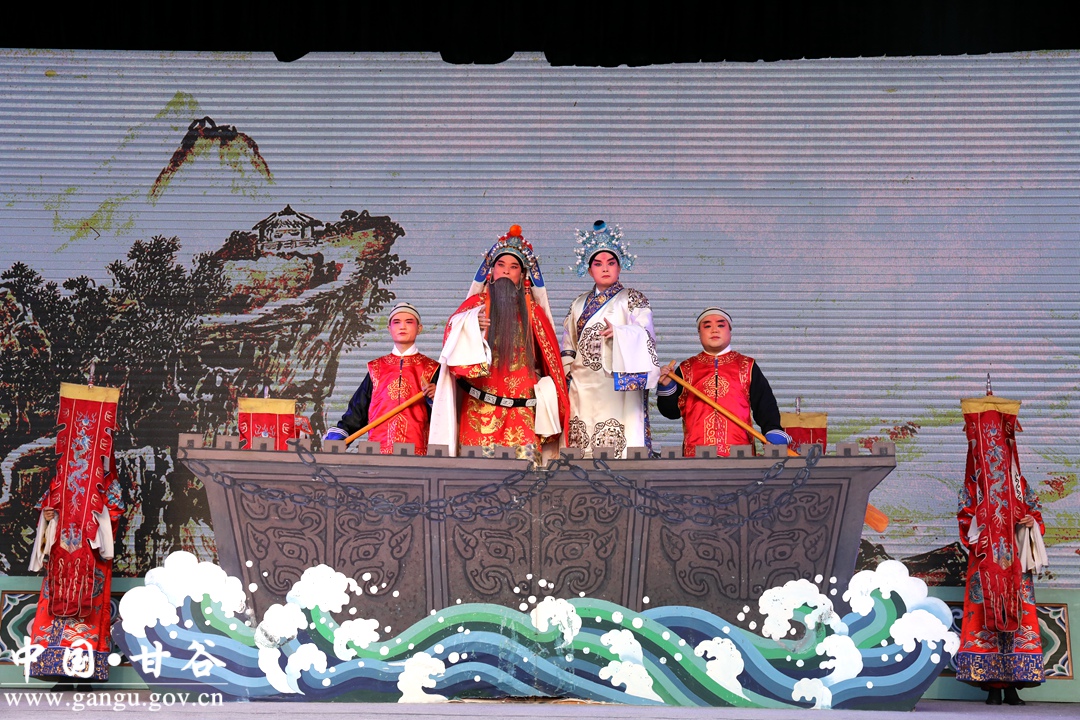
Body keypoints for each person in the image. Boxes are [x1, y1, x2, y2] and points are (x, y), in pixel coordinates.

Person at [429, 225, 569, 463]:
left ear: (522, 275)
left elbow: (549, 358)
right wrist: (470, 325)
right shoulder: (474, 306)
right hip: (479, 402)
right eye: (501, 265)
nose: (506, 270)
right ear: (492, 271)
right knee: (478, 473)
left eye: (514, 267)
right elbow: (451, 342)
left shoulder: (532, 311)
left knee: (528, 473)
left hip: (523, 407)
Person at [28, 383, 124, 681]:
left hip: (90, 559)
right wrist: (50, 516)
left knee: (89, 613)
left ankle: (83, 676)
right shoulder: (60, 479)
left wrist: (99, 518)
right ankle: (55, 671)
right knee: (54, 611)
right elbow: (47, 509)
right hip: (62, 559)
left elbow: (116, 512)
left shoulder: (108, 483)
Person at [956, 395, 1046, 706]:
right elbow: (965, 518)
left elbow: (1035, 513)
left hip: (1015, 564)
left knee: (1018, 621)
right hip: (985, 562)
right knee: (986, 621)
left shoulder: (1019, 483)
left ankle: (1012, 687)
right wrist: (980, 532)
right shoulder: (974, 484)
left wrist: (1030, 521)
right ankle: (993, 687)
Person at [561, 220, 661, 458]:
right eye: (598, 264)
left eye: (611, 263)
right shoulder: (577, 303)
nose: (605, 268)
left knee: (619, 440)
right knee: (581, 442)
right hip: (582, 383)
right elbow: (569, 344)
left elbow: (647, 334)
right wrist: (566, 375)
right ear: (589, 270)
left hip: (617, 383)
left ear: (619, 267)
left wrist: (622, 333)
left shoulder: (632, 298)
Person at [656, 307, 789, 457]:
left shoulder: (747, 366)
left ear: (729, 331)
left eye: (720, 325)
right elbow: (671, 412)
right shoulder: (686, 368)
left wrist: (772, 431)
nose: (714, 330)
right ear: (699, 333)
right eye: (707, 326)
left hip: (739, 453)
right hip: (696, 454)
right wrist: (667, 386)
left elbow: (765, 405)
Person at [324, 302, 440, 455]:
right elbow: (358, 411)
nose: (402, 327)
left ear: (419, 328)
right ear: (389, 328)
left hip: (418, 451)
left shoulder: (432, 368)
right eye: (396, 322)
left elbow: (447, 416)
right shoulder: (376, 368)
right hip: (378, 451)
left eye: (409, 322)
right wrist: (340, 436)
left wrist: (438, 398)